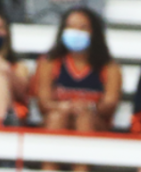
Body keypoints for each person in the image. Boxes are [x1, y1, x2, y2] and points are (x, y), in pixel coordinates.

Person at [35, 6, 120, 137]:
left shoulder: (109, 67)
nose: (76, 32)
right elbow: (43, 103)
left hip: (94, 121)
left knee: (84, 118)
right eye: (70, 27)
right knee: (57, 117)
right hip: (58, 115)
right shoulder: (49, 63)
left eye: (83, 28)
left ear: (94, 32)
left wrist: (88, 107)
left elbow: (110, 104)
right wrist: (65, 107)